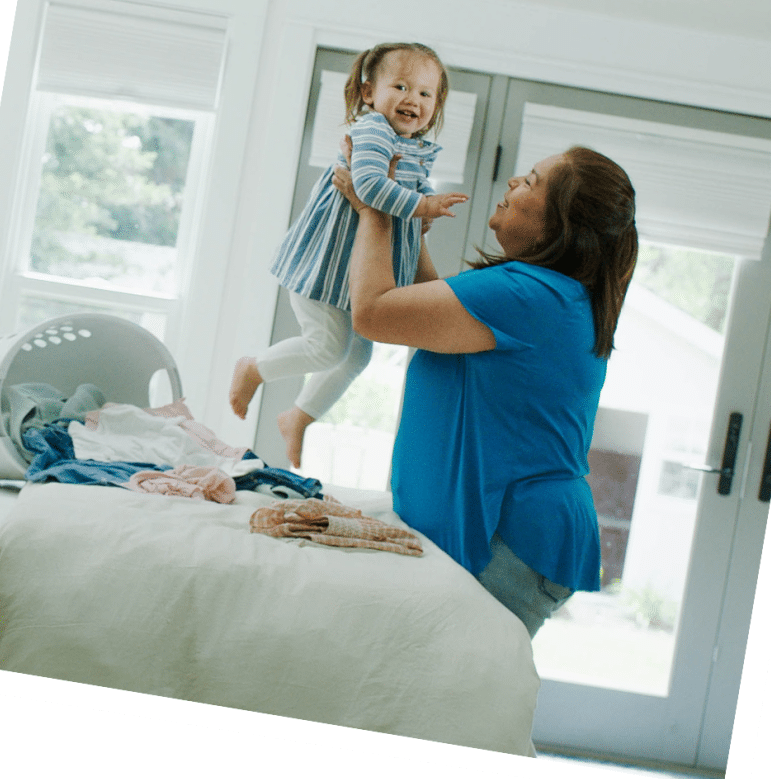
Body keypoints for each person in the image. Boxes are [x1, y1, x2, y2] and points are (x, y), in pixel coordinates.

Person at [331, 143, 638, 638]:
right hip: (524, 536)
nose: (515, 181)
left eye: (532, 182)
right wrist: (401, 216)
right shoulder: (542, 293)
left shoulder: (528, 295)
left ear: (561, 224)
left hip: (512, 539)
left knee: (435, 694)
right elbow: (431, 316)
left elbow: (373, 313)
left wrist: (374, 207)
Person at [229, 42, 468, 467]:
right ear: (368, 92)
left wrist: (422, 201)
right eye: (401, 85)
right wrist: (421, 207)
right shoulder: (373, 130)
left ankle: (298, 416)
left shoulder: (412, 144)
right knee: (326, 348)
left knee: (356, 355)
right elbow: (372, 188)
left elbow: (407, 186)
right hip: (327, 265)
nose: (414, 99)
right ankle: (254, 367)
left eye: (426, 93)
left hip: (354, 275)